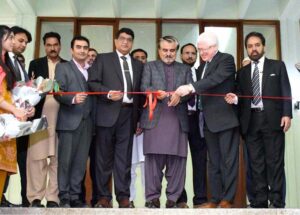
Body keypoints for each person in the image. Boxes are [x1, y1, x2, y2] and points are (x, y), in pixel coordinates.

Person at [225, 32, 292, 208]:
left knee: (275, 161)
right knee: (256, 164)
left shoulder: (277, 66)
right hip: (251, 121)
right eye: (250, 46)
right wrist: (236, 98)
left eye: (257, 45)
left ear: (263, 46)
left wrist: (287, 114)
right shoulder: (242, 72)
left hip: (274, 120)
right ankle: (260, 200)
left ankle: (277, 201)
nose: (253, 49)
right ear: (247, 49)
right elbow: (241, 94)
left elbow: (285, 91)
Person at [173, 31, 240, 208]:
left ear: (214, 47)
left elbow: (214, 80)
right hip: (208, 121)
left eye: (204, 50)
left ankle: (228, 198)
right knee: (213, 163)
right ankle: (215, 199)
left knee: (228, 161)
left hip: (225, 119)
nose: (201, 53)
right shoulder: (203, 66)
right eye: (199, 50)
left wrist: (190, 87)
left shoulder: (225, 59)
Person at [88, 28, 143, 208]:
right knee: (103, 158)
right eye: (122, 39)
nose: (125, 42)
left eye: (129, 39)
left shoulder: (138, 64)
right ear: (115, 41)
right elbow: (92, 83)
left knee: (124, 158)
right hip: (107, 112)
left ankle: (123, 196)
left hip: (129, 115)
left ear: (132, 43)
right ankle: (103, 196)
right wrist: (108, 93)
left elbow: (141, 94)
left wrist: (140, 119)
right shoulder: (103, 59)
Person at [140, 36, 192, 208]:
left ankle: (173, 199)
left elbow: (191, 92)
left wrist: (181, 95)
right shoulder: (149, 66)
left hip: (177, 120)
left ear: (176, 51)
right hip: (155, 120)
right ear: (159, 50)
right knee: (153, 161)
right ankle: (152, 198)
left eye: (172, 50)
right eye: (165, 50)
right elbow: (143, 88)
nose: (168, 53)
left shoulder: (184, 69)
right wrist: (155, 93)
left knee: (177, 161)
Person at [27, 32, 67, 208]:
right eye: (49, 45)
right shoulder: (35, 64)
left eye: (55, 44)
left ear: (60, 45)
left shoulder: (67, 65)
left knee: (58, 158)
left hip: (63, 116)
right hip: (40, 114)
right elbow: (29, 90)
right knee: (37, 157)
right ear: (44, 46)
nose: (52, 48)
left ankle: (53, 198)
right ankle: (35, 197)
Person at [54, 35, 92, 208]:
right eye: (78, 47)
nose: (82, 50)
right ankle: (64, 195)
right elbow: (56, 90)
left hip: (87, 123)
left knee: (80, 161)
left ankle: (76, 195)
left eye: (85, 47)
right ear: (72, 50)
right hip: (69, 121)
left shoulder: (92, 69)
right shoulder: (62, 67)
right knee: (65, 161)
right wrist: (72, 99)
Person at [0, 25, 33, 205]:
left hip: (9, 119)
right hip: (5, 116)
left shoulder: (11, 63)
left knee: (4, 166)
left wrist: (25, 108)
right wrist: (15, 110)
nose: (14, 42)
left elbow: (15, 93)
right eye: (10, 38)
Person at [176, 43, 207, 208]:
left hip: (198, 119)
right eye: (186, 53)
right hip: (179, 118)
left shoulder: (201, 72)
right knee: (179, 159)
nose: (190, 56)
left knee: (200, 159)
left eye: (193, 53)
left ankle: (200, 199)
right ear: (181, 55)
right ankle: (180, 199)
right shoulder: (176, 72)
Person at [129, 48, 148, 208]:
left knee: (146, 166)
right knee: (130, 166)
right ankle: (128, 200)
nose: (140, 60)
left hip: (147, 128)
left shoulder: (150, 77)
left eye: (143, 58)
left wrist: (141, 121)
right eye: (137, 58)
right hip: (129, 128)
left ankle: (150, 200)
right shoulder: (128, 77)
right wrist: (134, 122)